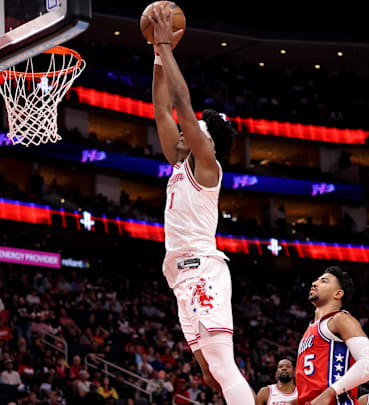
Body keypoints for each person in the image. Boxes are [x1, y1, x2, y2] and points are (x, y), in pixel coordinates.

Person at [150, 5, 253, 404]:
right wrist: (158, 57)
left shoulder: (207, 167)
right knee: (210, 376)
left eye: (192, 133)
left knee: (222, 366)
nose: (181, 134)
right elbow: (161, 109)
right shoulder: (177, 164)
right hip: (180, 278)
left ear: (205, 141)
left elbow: (181, 104)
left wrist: (165, 43)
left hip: (203, 270)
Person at [295, 267, 369, 405]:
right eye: (316, 280)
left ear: (338, 293)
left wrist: (329, 392)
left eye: (324, 281)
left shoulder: (340, 319)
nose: (314, 283)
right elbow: (314, 387)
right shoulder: (310, 328)